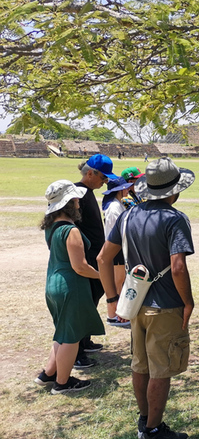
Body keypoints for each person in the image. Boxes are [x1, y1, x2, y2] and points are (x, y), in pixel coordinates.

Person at [97, 157, 195, 439]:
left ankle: (144, 421)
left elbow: (104, 257)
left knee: (140, 365)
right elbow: (177, 267)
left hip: (133, 303)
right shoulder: (175, 219)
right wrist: (187, 302)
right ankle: (152, 429)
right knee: (161, 369)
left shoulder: (128, 215)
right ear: (173, 191)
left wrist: (112, 298)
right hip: (164, 306)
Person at [34, 180, 105, 394]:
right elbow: (80, 267)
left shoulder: (52, 226)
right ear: (68, 203)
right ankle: (62, 383)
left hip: (53, 282)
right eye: (76, 200)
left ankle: (48, 374)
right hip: (69, 286)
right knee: (71, 337)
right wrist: (102, 276)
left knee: (63, 332)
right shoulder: (70, 230)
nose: (79, 204)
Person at [74, 154, 117, 366]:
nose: (105, 181)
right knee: (84, 305)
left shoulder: (88, 192)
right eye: (103, 177)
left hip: (96, 256)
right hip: (87, 259)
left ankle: (85, 340)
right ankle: (77, 352)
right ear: (90, 173)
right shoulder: (78, 193)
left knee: (93, 299)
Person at [101, 177, 134, 328]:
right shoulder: (114, 208)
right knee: (118, 282)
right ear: (120, 190)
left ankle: (116, 315)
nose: (128, 190)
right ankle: (115, 316)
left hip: (118, 248)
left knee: (119, 281)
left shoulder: (117, 204)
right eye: (125, 188)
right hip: (116, 249)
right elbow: (115, 232)